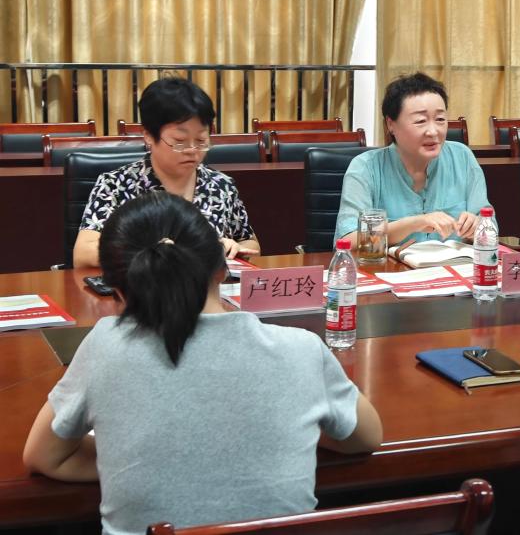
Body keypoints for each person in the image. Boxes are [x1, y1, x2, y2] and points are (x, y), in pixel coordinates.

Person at [23, 192, 382, 534]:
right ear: (223, 270)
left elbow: (46, 457)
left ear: (116, 292)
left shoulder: (105, 347)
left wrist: (143, 461)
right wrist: (278, 436)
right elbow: (365, 437)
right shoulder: (301, 349)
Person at [73, 77, 259, 268]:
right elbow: (83, 253)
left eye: (201, 140)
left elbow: (250, 243)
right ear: (148, 136)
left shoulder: (220, 185)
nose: (192, 150)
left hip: (205, 285)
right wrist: (149, 251)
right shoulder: (116, 185)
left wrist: (234, 248)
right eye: (179, 141)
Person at [336, 72, 492, 245]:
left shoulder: (462, 157)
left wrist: (477, 227)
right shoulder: (365, 168)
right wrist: (415, 223)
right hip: (391, 263)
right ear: (391, 124)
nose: (433, 131)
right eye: (420, 121)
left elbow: (490, 228)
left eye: (440, 119)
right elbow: (347, 241)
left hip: (454, 262)